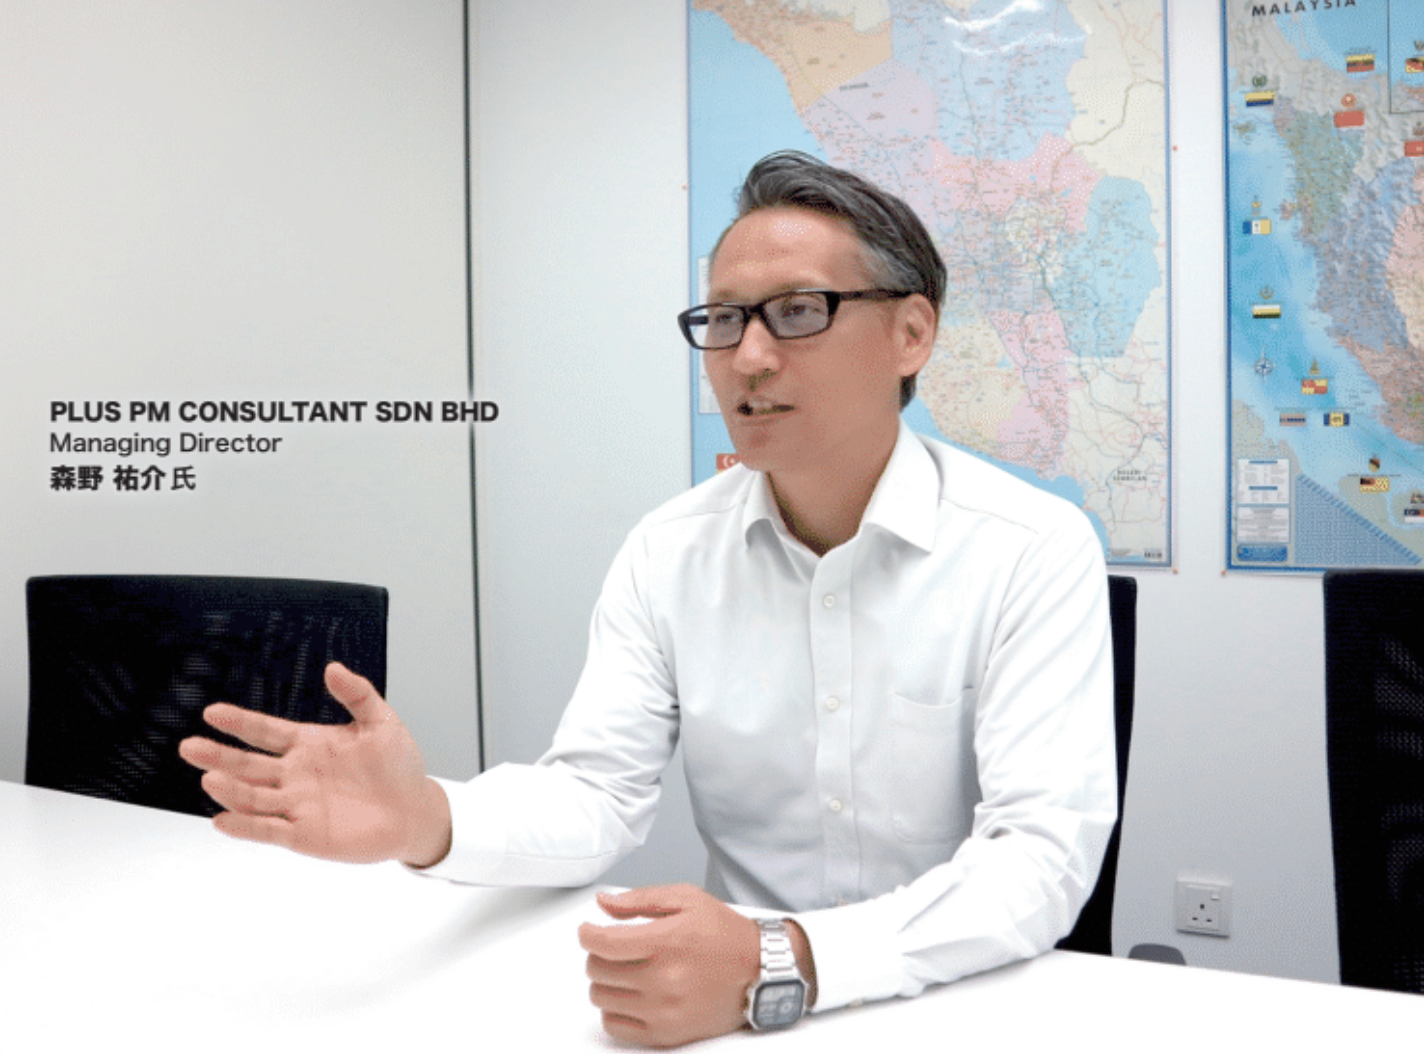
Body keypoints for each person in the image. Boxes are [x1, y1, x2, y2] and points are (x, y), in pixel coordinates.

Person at [179, 151, 1116, 1049]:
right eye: (724, 319)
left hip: (961, 998)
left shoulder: (1031, 548)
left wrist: (782, 960)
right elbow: (596, 794)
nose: (748, 357)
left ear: (912, 333)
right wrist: (431, 818)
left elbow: (1039, 855)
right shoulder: (669, 551)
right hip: (730, 1006)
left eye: (798, 312)